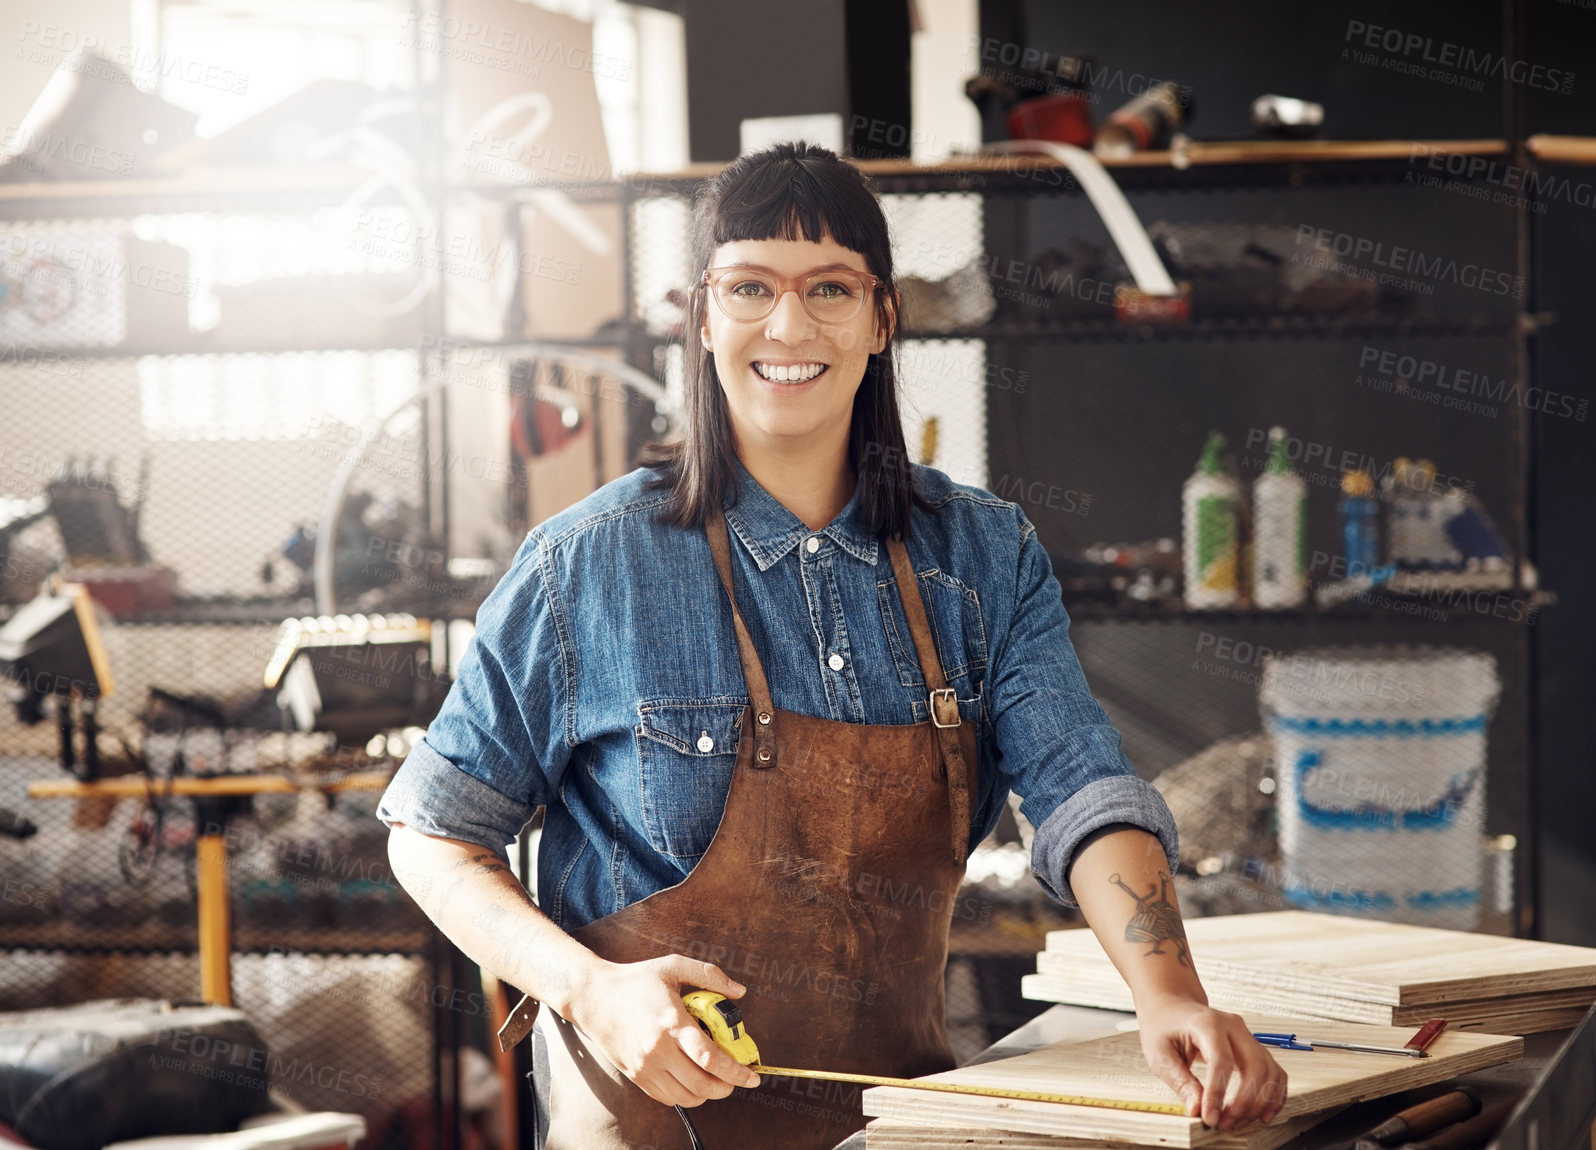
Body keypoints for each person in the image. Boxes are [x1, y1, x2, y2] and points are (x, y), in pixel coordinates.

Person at [378, 141, 1286, 1150]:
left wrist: (1169, 996)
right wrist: (589, 990)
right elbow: (433, 834)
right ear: (703, 315)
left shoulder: (984, 554)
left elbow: (1079, 788)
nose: (789, 326)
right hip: (646, 1124)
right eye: (751, 288)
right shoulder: (586, 563)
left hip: (894, 1121)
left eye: (829, 289)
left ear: (882, 319)